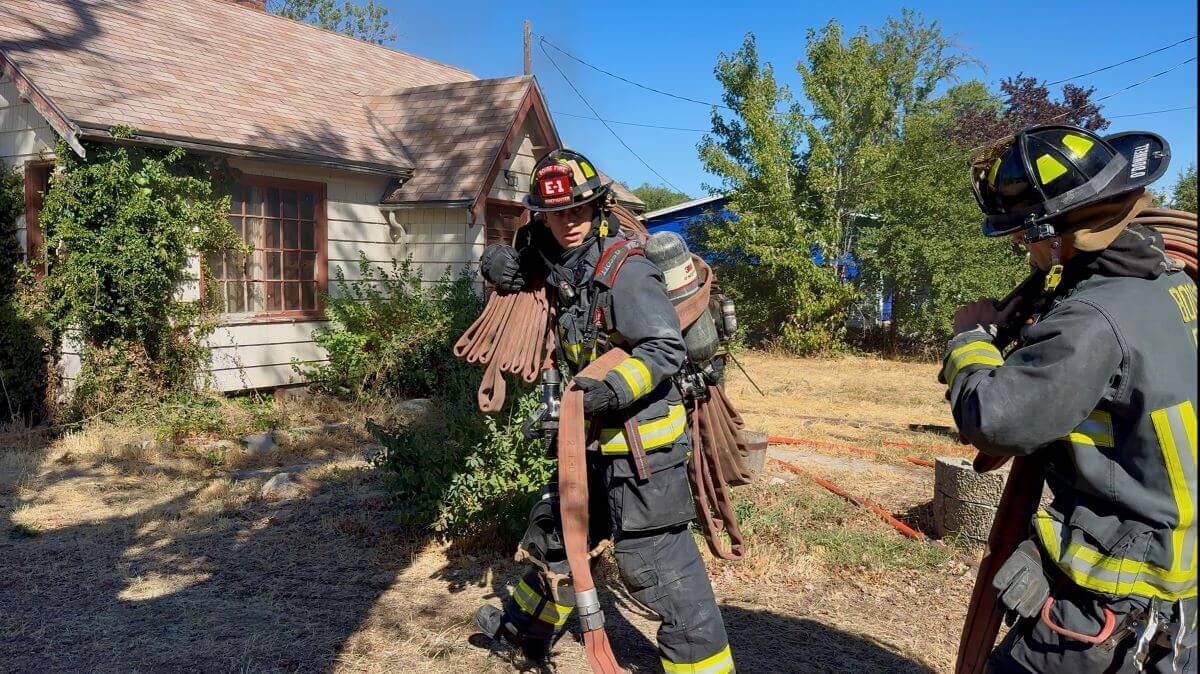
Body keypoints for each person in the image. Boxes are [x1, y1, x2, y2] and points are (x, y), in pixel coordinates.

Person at [945, 124, 1196, 673]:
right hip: (1180, 599)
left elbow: (993, 420)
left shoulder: (1092, 321)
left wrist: (969, 340)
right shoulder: (1172, 287)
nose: (1018, 244)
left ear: (1060, 233)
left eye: (1024, 231)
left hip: (1114, 602)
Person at [472, 149, 734, 673]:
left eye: (577, 211)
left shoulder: (626, 272)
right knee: (557, 540)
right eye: (555, 214)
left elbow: (663, 350)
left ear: (598, 209)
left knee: (659, 572)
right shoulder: (562, 263)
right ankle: (526, 634)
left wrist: (607, 391)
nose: (567, 223)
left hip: (644, 452)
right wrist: (496, 263)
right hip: (589, 447)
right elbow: (528, 270)